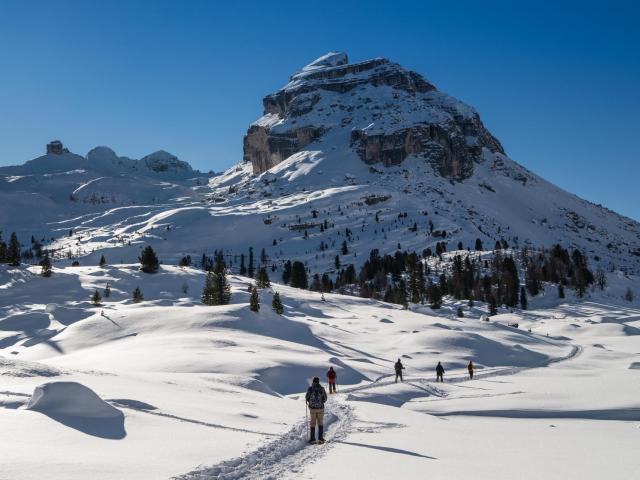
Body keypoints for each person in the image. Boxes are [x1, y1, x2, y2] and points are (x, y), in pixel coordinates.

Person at [305, 377, 328, 444]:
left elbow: (307, 398)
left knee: (313, 423)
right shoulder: (322, 389)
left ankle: (312, 439)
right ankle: (320, 439)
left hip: (312, 409)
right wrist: (321, 402)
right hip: (320, 408)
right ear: (318, 382)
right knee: (320, 423)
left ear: (313, 381)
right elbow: (325, 399)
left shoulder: (310, 388)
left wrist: (310, 402)